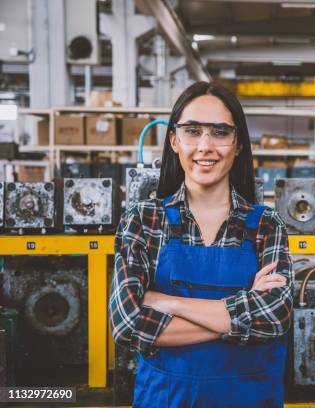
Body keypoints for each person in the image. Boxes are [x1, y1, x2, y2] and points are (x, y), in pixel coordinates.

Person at [109, 81, 294, 407]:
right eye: (192, 131)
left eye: (220, 132)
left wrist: (169, 303)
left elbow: (275, 318)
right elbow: (128, 326)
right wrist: (245, 306)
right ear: (174, 141)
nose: (205, 145)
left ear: (237, 144)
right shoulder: (144, 221)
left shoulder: (267, 225)